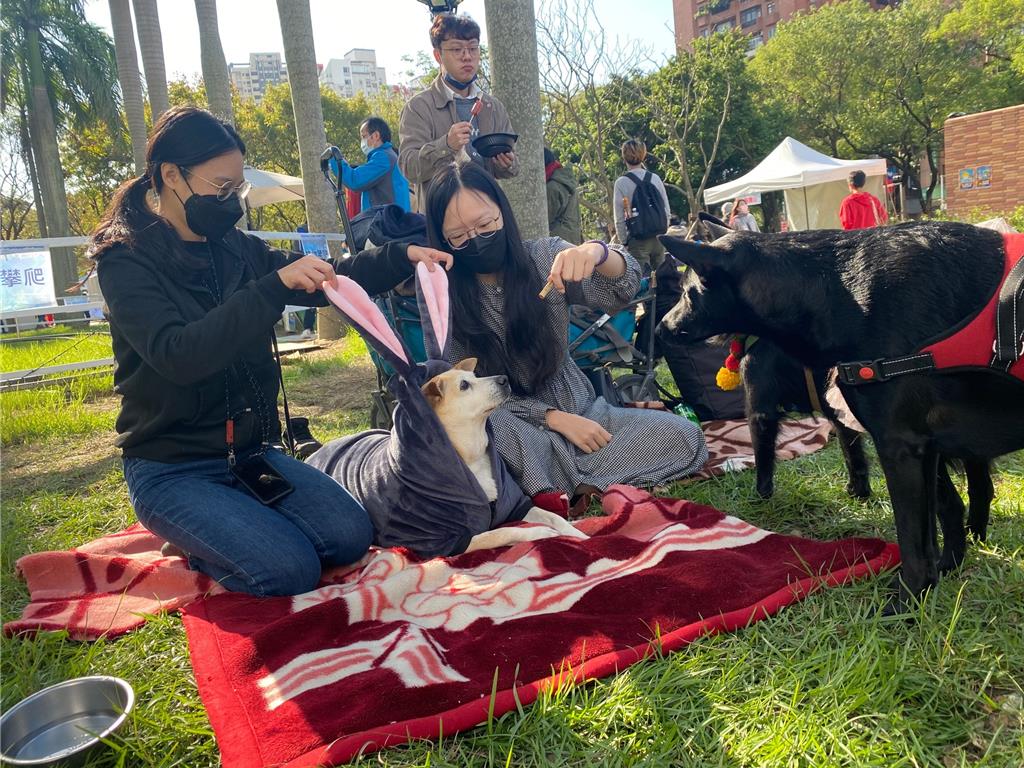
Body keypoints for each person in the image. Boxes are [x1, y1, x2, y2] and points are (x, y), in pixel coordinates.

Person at [89, 106, 451, 597]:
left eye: (235, 189)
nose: (231, 202)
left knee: (349, 537)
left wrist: (399, 256)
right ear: (170, 175)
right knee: (288, 571)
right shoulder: (126, 261)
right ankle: (199, 535)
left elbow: (329, 276)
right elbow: (179, 354)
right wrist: (270, 290)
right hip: (171, 465)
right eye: (220, 189)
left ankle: (226, 525)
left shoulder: (238, 249)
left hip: (249, 455)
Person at [425, 161, 708, 499]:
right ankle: (575, 481)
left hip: (585, 414)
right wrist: (552, 419)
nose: (475, 241)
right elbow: (461, 397)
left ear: (503, 212)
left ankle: (546, 486)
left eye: (485, 225)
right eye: (458, 237)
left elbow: (624, 286)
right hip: (512, 425)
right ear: (442, 241)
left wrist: (598, 253)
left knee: (684, 437)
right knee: (492, 431)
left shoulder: (543, 257)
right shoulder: (445, 301)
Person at [398, 13, 518, 211]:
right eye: (456, 49)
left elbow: (511, 169)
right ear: (438, 55)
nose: (467, 56)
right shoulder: (418, 107)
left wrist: (507, 164)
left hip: (489, 215)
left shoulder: (492, 106)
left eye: (472, 48)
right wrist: (446, 145)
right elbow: (409, 167)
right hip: (442, 220)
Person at [613, 139, 671, 273]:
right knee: (663, 277)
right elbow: (666, 209)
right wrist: (664, 228)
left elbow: (619, 217)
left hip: (638, 239)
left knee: (641, 280)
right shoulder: (655, 178)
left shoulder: (621, 183)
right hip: (659, 235)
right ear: (643, 155)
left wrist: (624, 241)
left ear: (624, 157)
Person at [329, 117, 411, 213]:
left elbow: (355, 180)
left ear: (376, 135)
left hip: (388, 223)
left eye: (364, 136)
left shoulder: (383, 158)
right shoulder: (390, 155)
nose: (362, 142)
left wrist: (334, 159)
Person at [544, 147, 583, 244]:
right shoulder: (564, 179)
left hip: (558, 242)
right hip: (571, 237)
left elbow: (545, 219)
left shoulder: (553, 187)